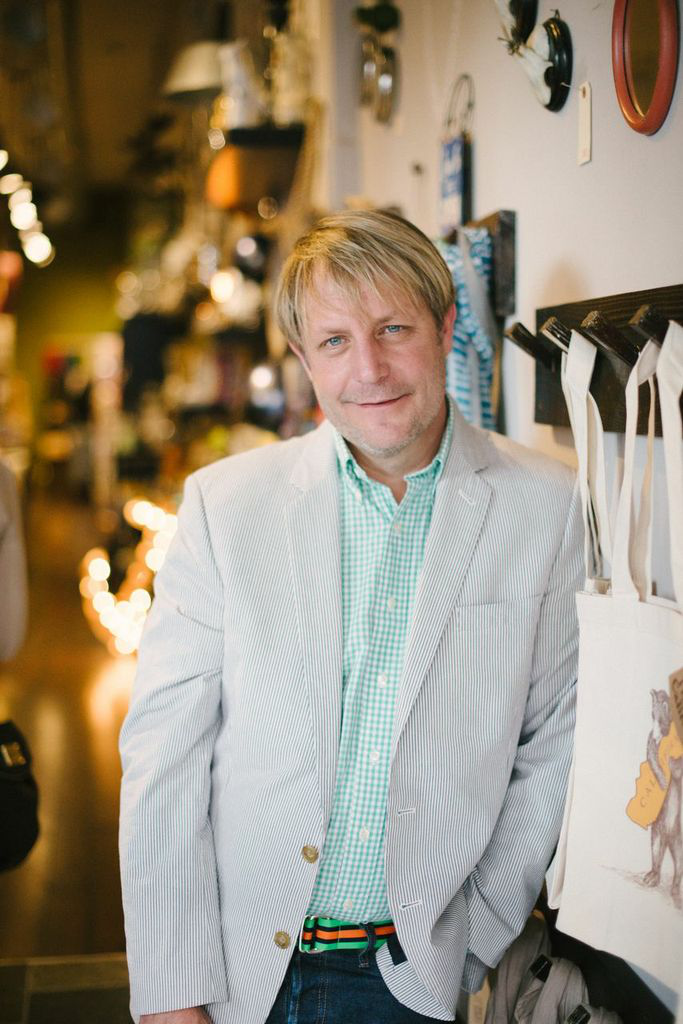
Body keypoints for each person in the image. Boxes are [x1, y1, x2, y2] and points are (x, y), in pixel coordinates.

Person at [119, 209, 582, 1024]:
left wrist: (475, 932)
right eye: (333, 341)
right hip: (236, 970)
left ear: (444, 328)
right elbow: (164, 753)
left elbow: (552, 740)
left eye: (392, 328)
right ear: (302, 360)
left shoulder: (544, 507)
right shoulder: (225, 507)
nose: (368, 368)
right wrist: (171, 987)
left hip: (411, 977)